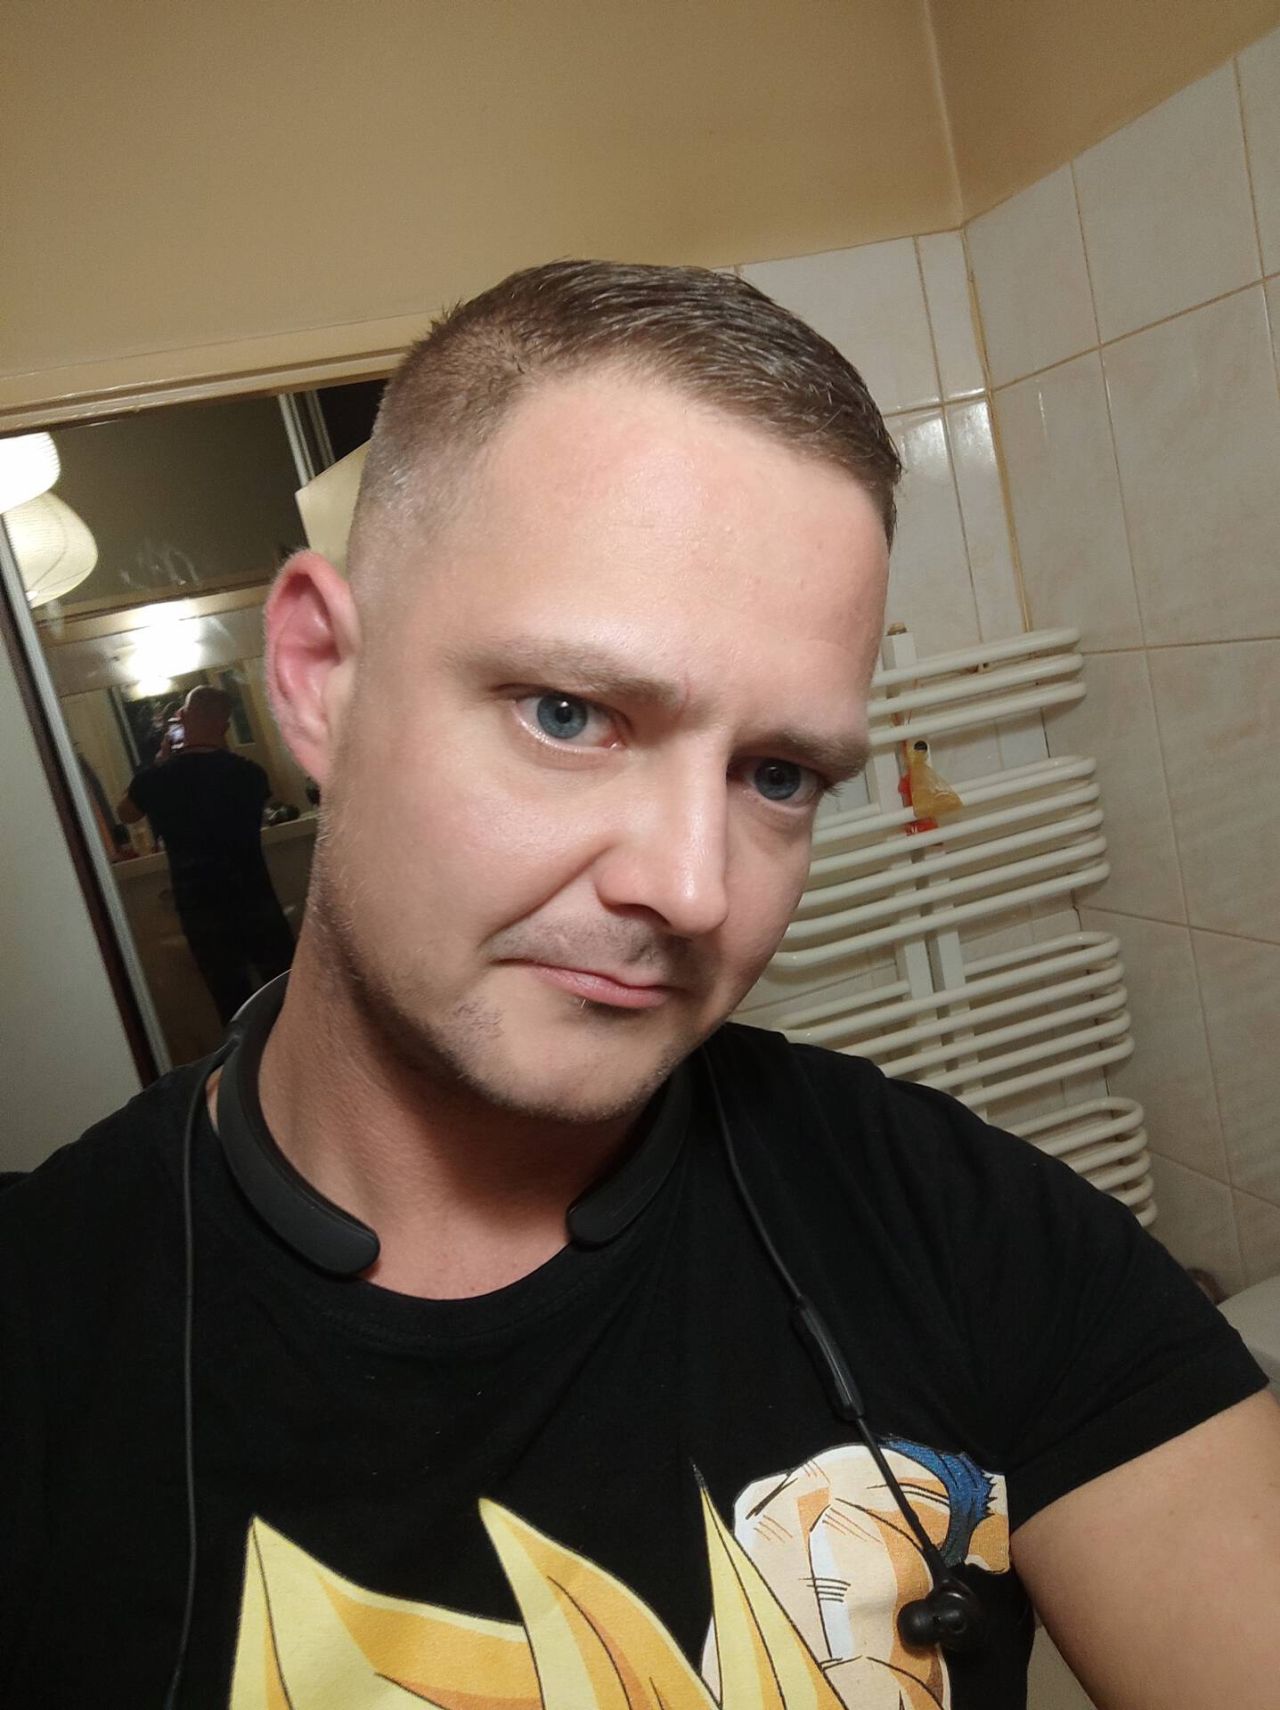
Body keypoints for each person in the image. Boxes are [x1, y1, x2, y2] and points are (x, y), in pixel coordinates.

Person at [2, 261, 1277, 1709]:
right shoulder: (42, 1338)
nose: (692, 888)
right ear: (315, 677)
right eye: (570, 713)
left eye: (777, 775)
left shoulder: (967, 1235)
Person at [116, 684, 295, 1022]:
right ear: (225, 726)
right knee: (287, 997)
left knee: (232, 1005)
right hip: (256, 901)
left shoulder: (157, 779)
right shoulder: (251, 775)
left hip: (201, 911)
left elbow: (125, 813)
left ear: (182, 718)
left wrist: (159, 762)